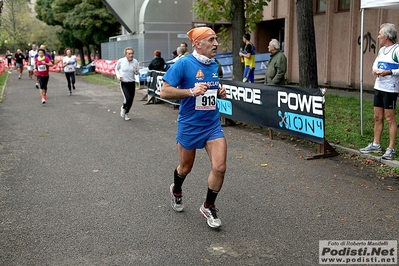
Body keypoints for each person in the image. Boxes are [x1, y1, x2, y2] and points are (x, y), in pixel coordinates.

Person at [161, 27, 227, 229]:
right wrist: (190, 91)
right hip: (190, 125)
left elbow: (209, 91)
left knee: (220, 167)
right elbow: (164, 92)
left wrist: (219, 92)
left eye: (216, 39)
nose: (216, 43)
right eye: (211, 40)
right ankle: (177, 190)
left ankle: (208, 206)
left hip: (212, 124)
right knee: (185, 168)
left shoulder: (214, 65)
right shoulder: (183, 64)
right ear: (198, 44)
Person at [360, 23, 399, 160]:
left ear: (387, 36)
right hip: (379, 87)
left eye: (380, 34)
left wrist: (389, 72)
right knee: (377, 117)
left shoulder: (397, 50)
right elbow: (375, 63)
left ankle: (391, 148)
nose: (378, 36)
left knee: (390, 119)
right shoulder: (382, 50)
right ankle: (376, 144)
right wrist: (375, 70)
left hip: (390, 89)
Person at [115, 47, 139, 121]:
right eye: (129, 54)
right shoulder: (121, 61)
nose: (131, 55)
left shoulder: (135, 62)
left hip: (132, 83)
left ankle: (126, 113)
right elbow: (116, 69)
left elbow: (137, 72)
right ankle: (123, 107)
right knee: (127, 98)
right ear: (125, 54)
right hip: (124, 83)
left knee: (131, 100)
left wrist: (136, 71)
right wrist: (118, 76)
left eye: (132, 53)